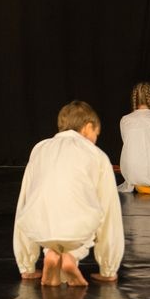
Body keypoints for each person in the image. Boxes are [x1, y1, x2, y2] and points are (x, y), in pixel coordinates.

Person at [14, 101, 124, 286]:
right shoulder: (96, 154)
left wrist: (26, 266)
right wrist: (108, 268)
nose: (95, 139)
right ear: (88, 127)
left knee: (49, 218)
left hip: (39, 226)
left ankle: (52, 253)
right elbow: (109, 211)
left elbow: (25, 199)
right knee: (90, 214)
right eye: (96, 134)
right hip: (77, 229)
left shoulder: (40, 149)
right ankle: (71, 257)